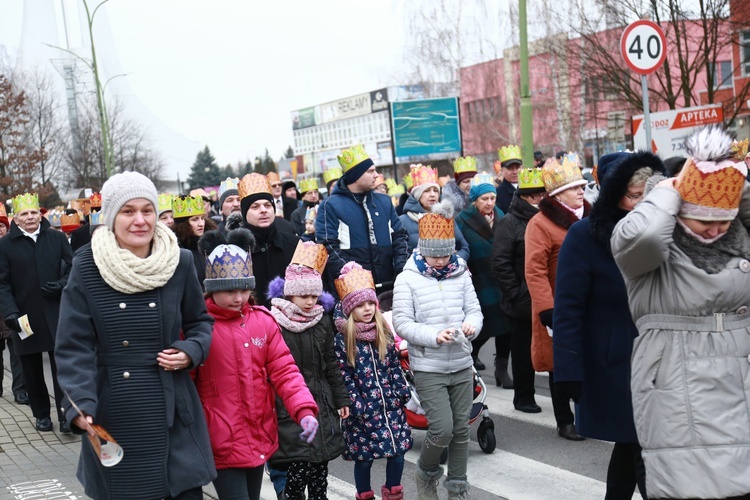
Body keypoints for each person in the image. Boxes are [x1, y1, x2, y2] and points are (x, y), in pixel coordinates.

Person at [55, 171, 216, 499]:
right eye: (128, 211)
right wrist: (81, 404)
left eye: (148, 210)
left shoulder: (180, 262)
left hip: (173, 409)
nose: (140, 220)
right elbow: (74, 346)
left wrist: (190, 351)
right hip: (114, 410)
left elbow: (201, 323)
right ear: (112, 217)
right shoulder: (86, 267)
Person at [612, 127, 750, 499]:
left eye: (724, 220)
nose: (716, 230)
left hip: (738, 377)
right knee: (689, 485)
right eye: (705, 221)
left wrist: (736, 184)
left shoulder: (741, 239)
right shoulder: (653, 251)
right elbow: (641, 237)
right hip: (676, 378)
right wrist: (666, 192)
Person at [554, 151, 664, 499]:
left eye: (649, 192)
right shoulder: (584, 236)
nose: (643, 202)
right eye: (634, 195)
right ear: (614, 193)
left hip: (664, 356)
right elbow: (568, 308)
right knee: (642, 445)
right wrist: (568, 368)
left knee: (635, 442)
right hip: (616, 363)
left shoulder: (667, 229)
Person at [195, 228, 319, 500]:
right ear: (212, 289)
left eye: (243, 289)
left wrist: (304, 409)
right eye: (228, 291)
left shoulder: (262, 321)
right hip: (219, 437)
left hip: (258, 431)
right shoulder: (200, 327)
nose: (238, 298)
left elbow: (285, 371)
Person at [392, 201, 483, 500]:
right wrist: (434, 336)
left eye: (447, 253)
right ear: (422, 250)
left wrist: (471, 326)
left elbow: (474, 311)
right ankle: (425, 473)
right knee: (442, 429)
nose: (442, 261)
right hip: (429, 366)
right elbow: (402, 323)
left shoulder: (462, 273)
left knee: (461, 431)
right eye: (435, 255)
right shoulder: (407, 278)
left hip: (460, 362)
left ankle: (457, 487)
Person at [267, 241, 348, 500]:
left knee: (319, 471)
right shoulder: (274, 322)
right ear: (290, 293)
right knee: (298, 467)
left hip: (320, 402)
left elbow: (331, 363)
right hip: (288, 405)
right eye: (304, 296)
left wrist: (340, 398)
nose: (310, 302)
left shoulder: (322, 320)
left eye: (314, 296)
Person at [334, 262, 412, 500]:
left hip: (390, 407)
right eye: (360, 305)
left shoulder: (383, 333)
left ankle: (393, 492)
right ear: (349, 309)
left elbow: (393, 365)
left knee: (397, 454)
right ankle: (364, 494)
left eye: (370, 303)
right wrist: (357, 404)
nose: (367, 309)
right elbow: (343, 375)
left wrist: (401, 392)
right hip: (363, 413)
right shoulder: (343, 340)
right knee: (364, 459)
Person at [524, 157, 590, 441]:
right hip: (558, 304)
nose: (581, 191)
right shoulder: (540, 223)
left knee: (590, 359)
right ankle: (565, 420)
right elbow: (534, 270)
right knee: (560, 364)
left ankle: (589, 414)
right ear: (557, 193)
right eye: (575, 187)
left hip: (590, 302)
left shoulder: (591, 215)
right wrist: (548, 309)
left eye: (582, 186)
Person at [0, 192, 73, 433]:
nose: (30, 217)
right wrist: (10, 311)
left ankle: (66, 414)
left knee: (61, 366)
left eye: (34, 212)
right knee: (31, 368)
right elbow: (2, 283)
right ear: (16, 219)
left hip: (56, 311)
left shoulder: (57, 238)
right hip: (24, 314)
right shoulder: (4, 245)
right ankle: (41, 413)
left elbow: (74, 269)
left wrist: (62, 285)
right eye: (25, 214)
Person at [491, 168, 547, 413]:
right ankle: (524, 397)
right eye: (533, 195)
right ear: (523, 197)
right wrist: (516, 293)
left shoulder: (547, 218)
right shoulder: (509, 223)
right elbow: (500, 263)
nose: (539, 199)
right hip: (522, 301)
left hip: (545, 295)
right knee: (523, 351)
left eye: (541, 194)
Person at [315, 144, 408, 290]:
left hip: (390, 286)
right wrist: (353, 276)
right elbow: (328, 246)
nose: (376, 175)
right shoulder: (331, 206)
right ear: (355, 176)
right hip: (353, 291)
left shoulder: (384, 202)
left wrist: (401, 270)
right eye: (370, 171)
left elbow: (400, 238)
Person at [455, 173, 513, 384]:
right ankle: (470, 358)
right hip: (479, 279)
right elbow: (459, 248)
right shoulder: (462, 220)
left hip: (503, 278)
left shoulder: (502, 215)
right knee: (483, 327)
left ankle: (501, 369)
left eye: (492, 198)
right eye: (484, 199)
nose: (489, 203)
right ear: (475, 200)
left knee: (507, 326)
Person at [237, 173, 299, 307]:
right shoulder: (235, 252)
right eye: (255, 207)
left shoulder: (295, 245)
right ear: (244, 213)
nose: (263, 210)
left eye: (267, 205)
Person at [399, 164, 469, 262]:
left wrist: (450, 263)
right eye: (427, 191)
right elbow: (400, 254)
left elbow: (464, 248)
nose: (432, 194)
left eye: (435, 190)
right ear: (418, 195)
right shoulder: (403, 221)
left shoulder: (447, 217)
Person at [0, 204, 27, 404]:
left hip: (13, 305)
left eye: (1, 226)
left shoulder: (13, 246)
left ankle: (20, 389)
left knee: (18, 349)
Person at [172, 194, 216, 284]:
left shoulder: (211, 246)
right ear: (183, 224)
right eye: (195, 219)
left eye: (202, 218)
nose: (201, 224)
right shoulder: (175, 250)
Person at [495, 145, 522, 213]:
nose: (515, 172)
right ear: (502, 170)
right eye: (510, 168)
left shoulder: (529, 188)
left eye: (517, 168)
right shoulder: (498, 194)